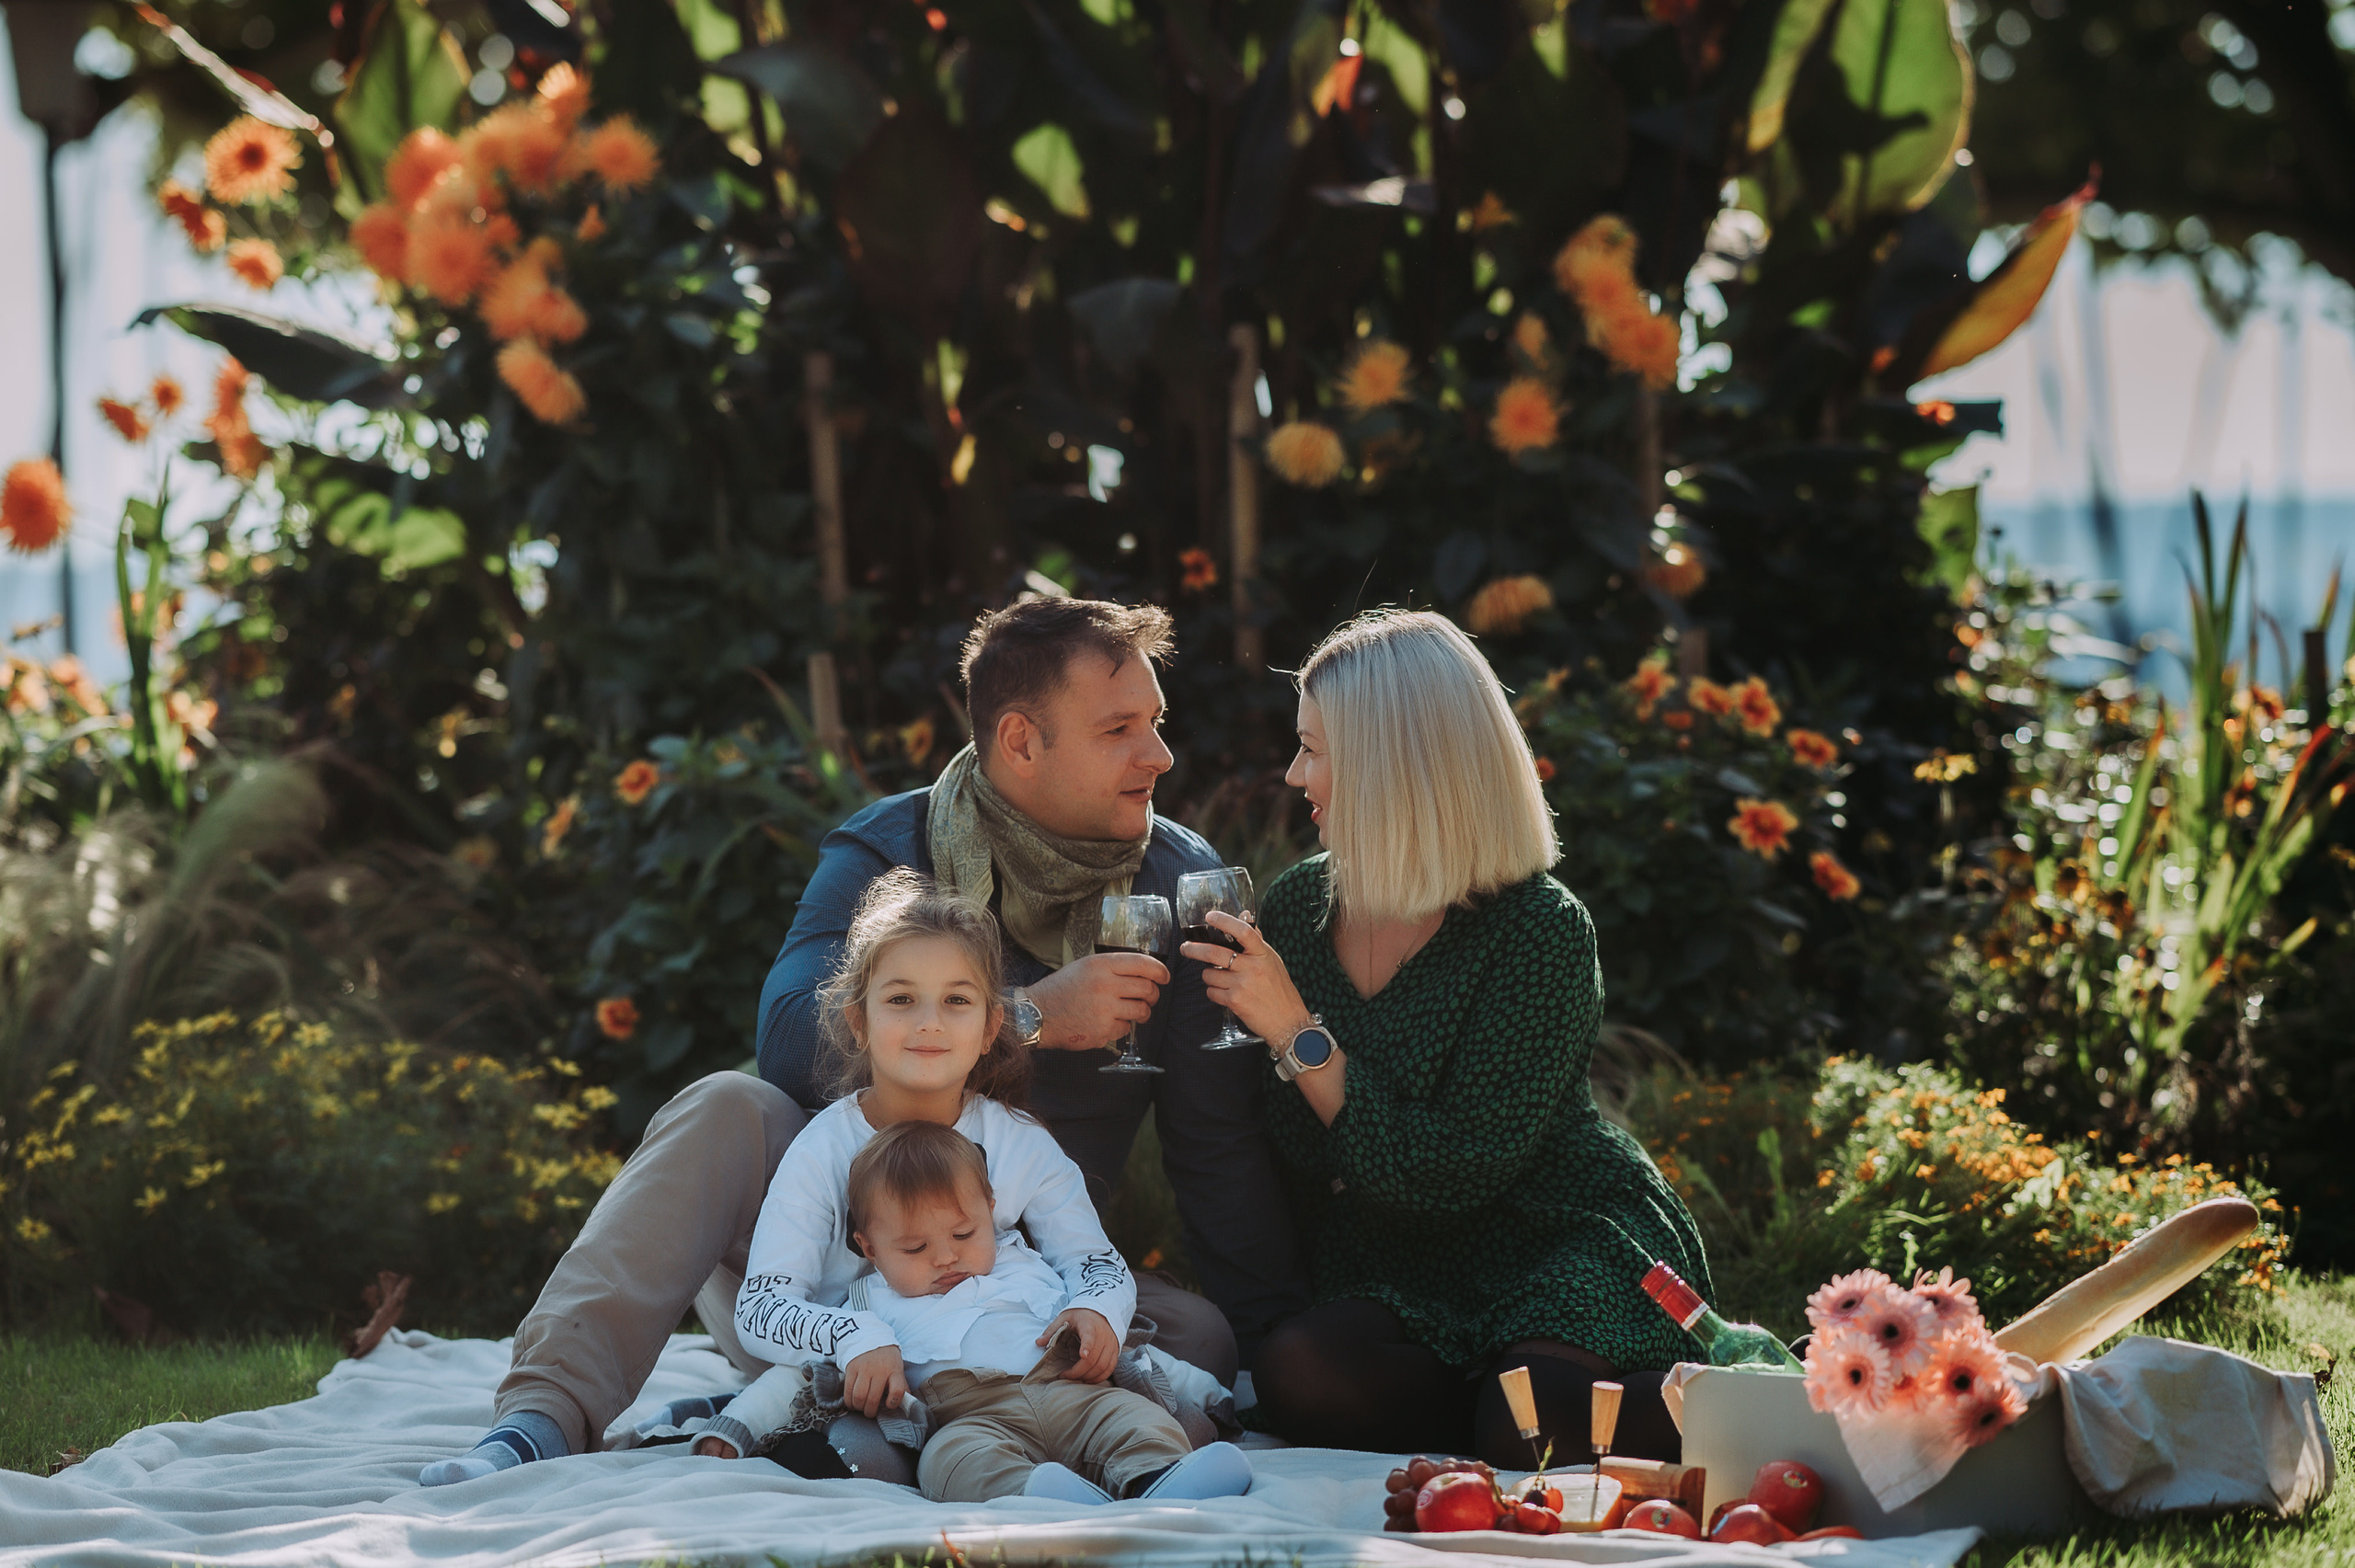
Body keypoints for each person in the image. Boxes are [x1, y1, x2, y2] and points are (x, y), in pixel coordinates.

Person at [420, 597, 1304, 1488]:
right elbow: (787, 1038)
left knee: (1199, 1336)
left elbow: (1213, 1142)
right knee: (726, 1103)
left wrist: (1282, 1371)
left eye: (1156, 723)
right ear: (1020, 741)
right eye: (1120, 729)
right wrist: (1024, 1014)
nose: (1160, 756)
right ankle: (544, 1415)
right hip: (824, 1262)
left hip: (1008, 1272)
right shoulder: (891, 849)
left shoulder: (1179, 883)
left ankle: (850, 1412)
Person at [1177, 609, 1712, 1467]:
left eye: (1314, 748)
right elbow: (1294, 1148)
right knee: (1299, 1373)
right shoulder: (1296, 913)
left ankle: (1764, 1397)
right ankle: (1495, 1411)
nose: (1291, 772)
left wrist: (1295, 1032)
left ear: (1394, 764)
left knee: (1527, 1424)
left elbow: (1453, 1168)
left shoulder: (1540, 929)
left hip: (1550, 1232)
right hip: (1397, 1266)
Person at [693, 876, 1249, 1503]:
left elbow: (1090, 1258)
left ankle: (1150, 1477)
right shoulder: (824, 1148)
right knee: (874, 1456)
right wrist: (853, 1336)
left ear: (990, 1027)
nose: (929, 1023)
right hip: (890, 1378)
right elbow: (761, 1308)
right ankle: (1030, 1490)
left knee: (1166, 1405)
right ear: (859, 1022)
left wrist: (1096, 1312)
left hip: (1036, 1371)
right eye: (901, 999)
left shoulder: (1016, 1138)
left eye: (956, 1001)